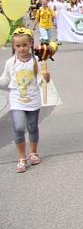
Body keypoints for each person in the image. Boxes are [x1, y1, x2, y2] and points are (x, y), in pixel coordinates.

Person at [0, 28, 51, 173]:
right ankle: (22, 158)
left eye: (24, 45)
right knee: (18, 128)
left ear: (30, 44)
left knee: (32, 127)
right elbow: (5, 79)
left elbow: (42, 80)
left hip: (33, 100)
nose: (21, 48)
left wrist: (46, 78)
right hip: (17, 100)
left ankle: (33, 153)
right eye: (18, 46)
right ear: (14, 47)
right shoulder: (11, 62)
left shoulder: (36, 61)